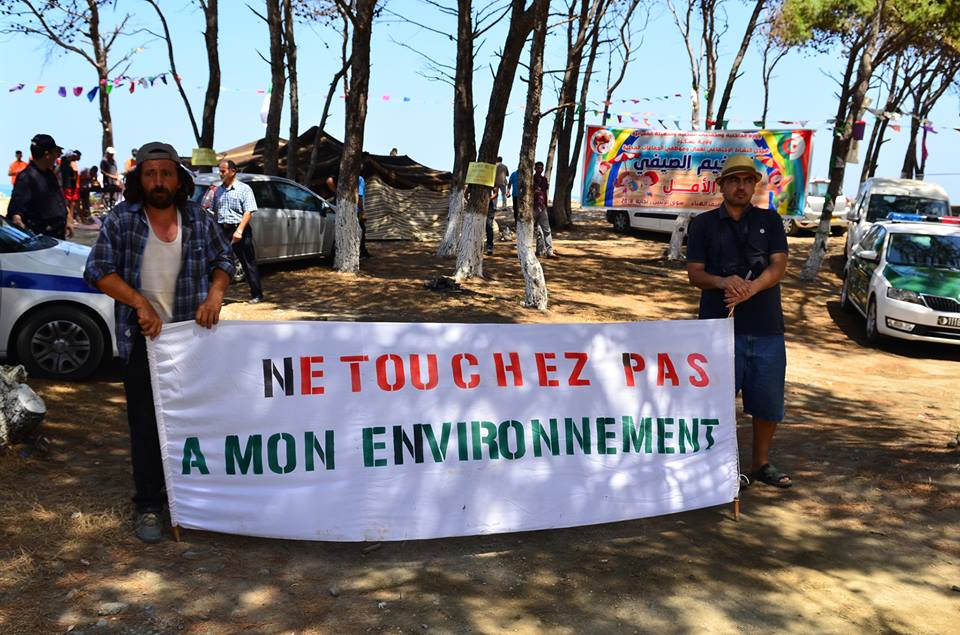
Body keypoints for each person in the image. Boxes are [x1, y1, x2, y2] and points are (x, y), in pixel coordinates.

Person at [83, 142, 233, 542]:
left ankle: (197, 499)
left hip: (192, 341)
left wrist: (215, 296)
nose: (159, 181)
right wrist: (139, 304)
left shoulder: (198, 219)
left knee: (197, 421)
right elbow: (97, 270)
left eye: (166, 173)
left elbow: (225, 261)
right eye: (150, 174)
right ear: (139, 180)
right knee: (147, 427)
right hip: (143, 342)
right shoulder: (121, 221)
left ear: (179, 179)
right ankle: (150, 505)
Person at [685, 154, 792, 489]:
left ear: (755, 184)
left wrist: (752, 288)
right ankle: (720, 465)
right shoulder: (702, 224)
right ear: (721, 185)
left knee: (768, 402)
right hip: (717, 329)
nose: (741, 186)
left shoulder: (770, 221)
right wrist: (724, 282)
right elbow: (695, 273)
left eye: (747, 180)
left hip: (766, 328)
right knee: (715, 401)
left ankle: (760, 463)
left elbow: (779, 266)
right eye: (734, 180)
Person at [213, 160, 263, 303]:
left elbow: (248, 211)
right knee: (221, 263)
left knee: (247, 262)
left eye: (223, 171)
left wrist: (239, 231)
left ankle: (256, 294)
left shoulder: (244, 189)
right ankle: (218, 295)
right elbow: (216, 212)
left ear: (233, 171)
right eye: (219, 171)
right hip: (223, 230)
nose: (220, 174)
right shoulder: (218, 190)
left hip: (240, 229)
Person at [7, 134, 73, 239]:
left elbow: (59, 199)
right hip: (43, 239)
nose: (57, 156)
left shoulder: (50, 174)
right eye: (55, 153)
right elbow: (15, 209)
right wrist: (18, 221)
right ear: (47, 154)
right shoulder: (27, 177)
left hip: (58, 235)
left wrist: (68, 219)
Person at [532, 161, 556, 257]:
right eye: (538, 168)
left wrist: (545, 205)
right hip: (533, 208)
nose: (540, 170)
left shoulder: (544, 180)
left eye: (541, 168)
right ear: (535, 168)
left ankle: (549, 251)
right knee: (530, 230)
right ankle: (530, 250)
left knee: (546, 230)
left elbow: (544, 193)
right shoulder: (531, 179)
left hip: (542, 207)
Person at [60, 150, 81, 227]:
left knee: (70, 203)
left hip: (66, 185)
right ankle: (70, 219)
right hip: (71, 186)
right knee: (71, 203)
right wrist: (75, 180)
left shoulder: (62, 163)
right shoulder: (71, 163)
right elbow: (75, 172)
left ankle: (70, 219)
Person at [358, 174, 371, 258]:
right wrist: (362, 211)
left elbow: (329, 180)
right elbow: (360, 196)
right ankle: (362, 251)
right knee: (362, 230)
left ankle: (363, 250)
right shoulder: (359, 179)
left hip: (347, 209)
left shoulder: (347, 176)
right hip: (357, 210)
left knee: (362, 229)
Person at [485, 187, 498, 256]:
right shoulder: (474, 180)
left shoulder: (490, 178)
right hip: (476, 209)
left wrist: (488, 199)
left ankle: (489, 247)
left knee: (489, 227)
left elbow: (496, 193)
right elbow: (466, 193)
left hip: (489, 208)